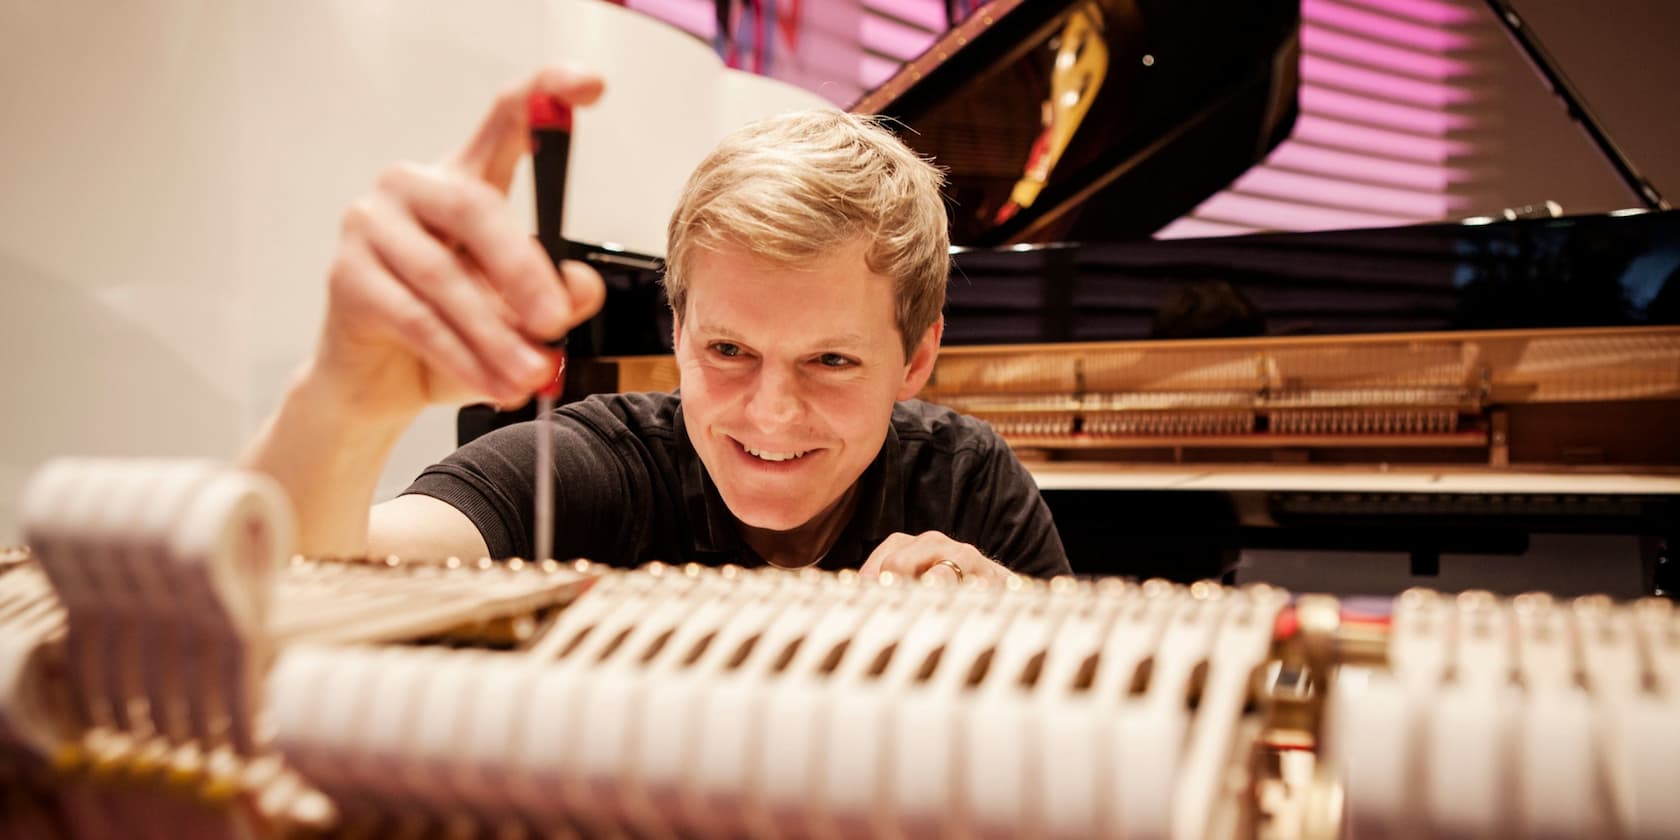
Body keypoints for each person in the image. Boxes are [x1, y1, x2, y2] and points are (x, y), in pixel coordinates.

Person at [240, 66, 1070, 583]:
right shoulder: (594, 469)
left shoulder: (966, 482)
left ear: (917, 357)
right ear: (677, 331)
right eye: (729, 349)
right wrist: (342, 406)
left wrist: (1021, 626)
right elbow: (304, 578)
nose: (772, 414)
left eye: (831, 361)